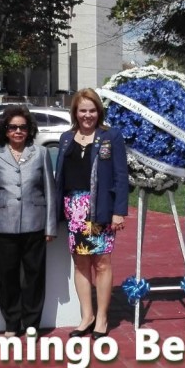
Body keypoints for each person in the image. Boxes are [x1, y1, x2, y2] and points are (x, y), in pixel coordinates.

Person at [55, 88, 128, 339]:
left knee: (102, 262)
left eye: (92, 110)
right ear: (75, 112)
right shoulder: (66, 138)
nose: (88, 115)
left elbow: (120, 176)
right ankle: (87, 316)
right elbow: (59, 177)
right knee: (81, 263)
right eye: (82, 110)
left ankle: (103, 317)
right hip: (74, 208)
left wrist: (119, 211)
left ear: (99, 112)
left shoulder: (111, 136)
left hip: (100, 208)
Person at [0, 106, 58, 335]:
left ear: (29, 130)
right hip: (3, 226)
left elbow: (50, 191)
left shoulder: (41, 154)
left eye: (22, 127)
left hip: (35, 224)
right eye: (13, 127)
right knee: (8, 277)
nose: (17, 131)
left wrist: (51, 226)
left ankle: (32, 324)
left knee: (34, 277)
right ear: (5, 130)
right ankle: (12, 324)